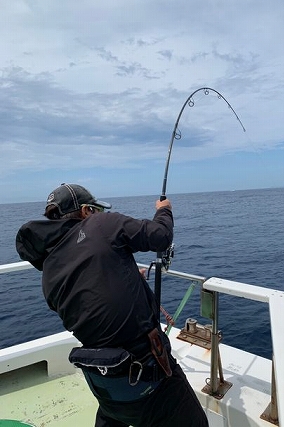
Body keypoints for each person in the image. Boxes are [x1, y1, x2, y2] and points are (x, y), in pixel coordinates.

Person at [16, 183, 209, 427]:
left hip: (107, 385)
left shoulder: (49, 266)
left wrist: (122, 274)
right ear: (86, 211)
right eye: (96, 209)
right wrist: (164, 210)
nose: (100, 213)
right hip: (151, 377)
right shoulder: (100, 224)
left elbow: (83, 300)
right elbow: (160, 236)